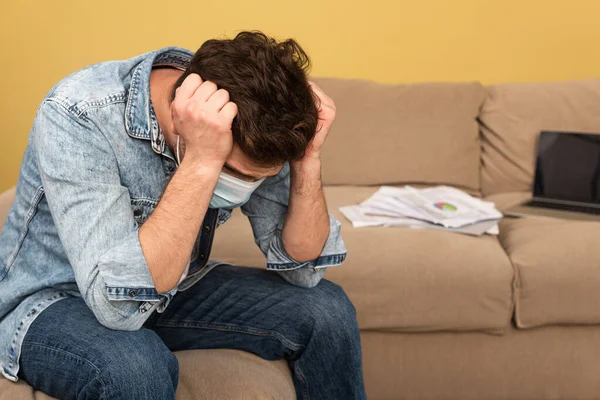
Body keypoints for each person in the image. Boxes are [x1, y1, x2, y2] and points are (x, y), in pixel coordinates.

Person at [0, 31, 366, 399]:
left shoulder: (251, 116)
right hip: (52, 301)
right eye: (238, 175)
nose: (246, 186)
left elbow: (304, 270)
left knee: (327, 312)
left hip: (169, 287)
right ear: (182, 124)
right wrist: (203, 160)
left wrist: (307, 158)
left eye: (259, 179)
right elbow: (119, 309)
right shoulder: (79, 113)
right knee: (135, 366)